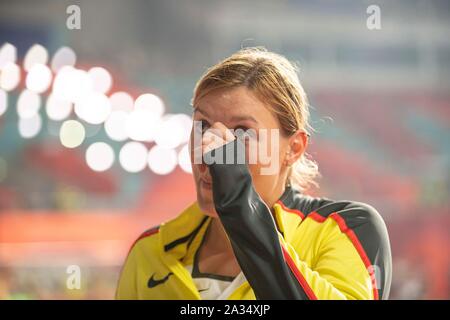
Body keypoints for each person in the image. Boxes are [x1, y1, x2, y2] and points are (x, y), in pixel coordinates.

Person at [116, 47, 392, 300]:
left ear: (293, 148)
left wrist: (237, 202)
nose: (210, 150)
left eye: (242, 133)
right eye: (203, 125)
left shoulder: (347, 227)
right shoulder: (150, 251)